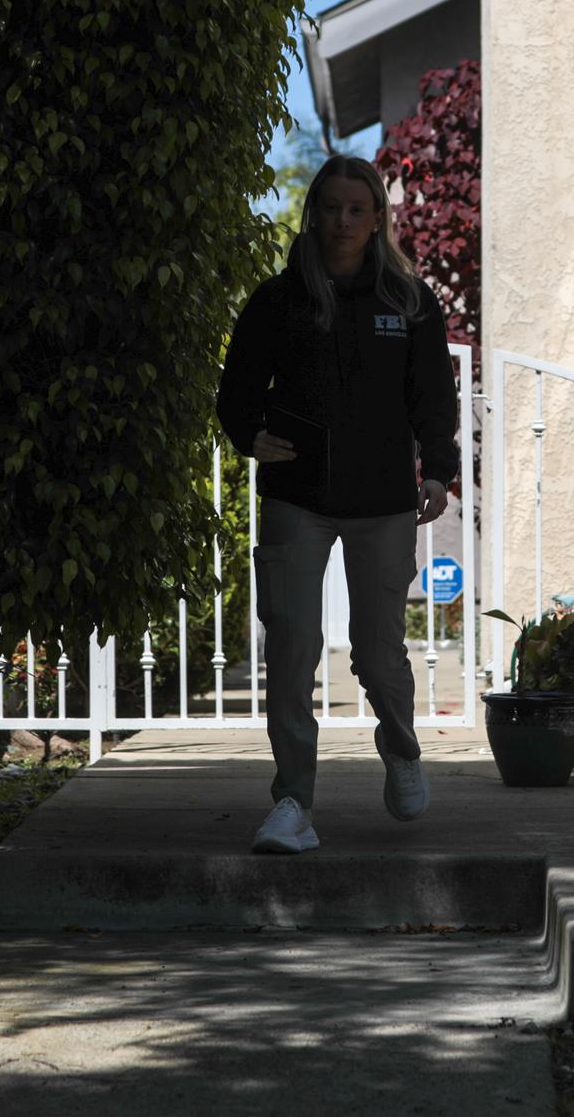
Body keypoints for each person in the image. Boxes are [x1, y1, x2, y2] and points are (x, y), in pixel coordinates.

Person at [217, 155, 458, 854]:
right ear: (315, 213)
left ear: (378, 216)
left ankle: (403, 750)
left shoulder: (409, 301)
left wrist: (438, 472)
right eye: (332, 208)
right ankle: (293, 803)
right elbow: (237, 389)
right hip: (298, 497)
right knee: (291, 646)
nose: (344, 221)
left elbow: (433, 399)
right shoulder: (278, 299)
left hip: (383, 501)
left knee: (378, 653)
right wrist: (250, 436)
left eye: (358, 209)